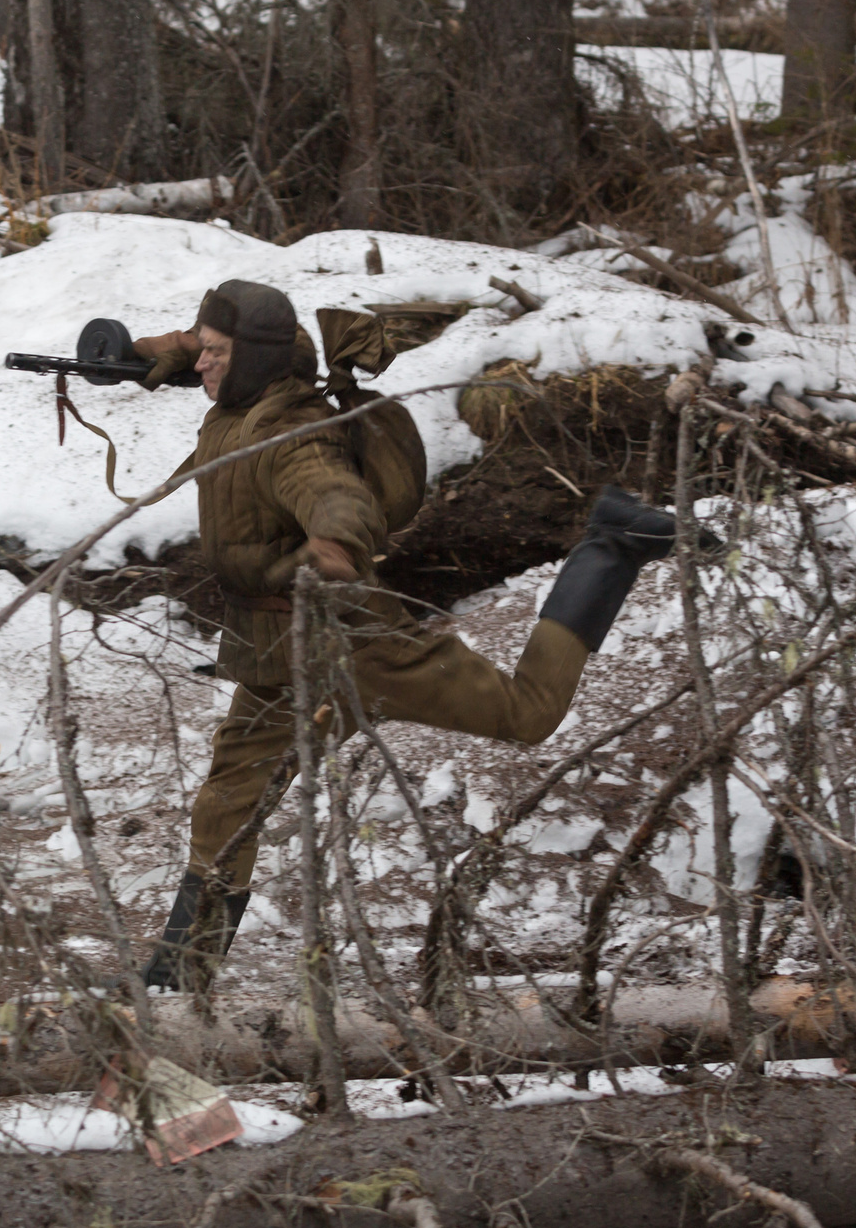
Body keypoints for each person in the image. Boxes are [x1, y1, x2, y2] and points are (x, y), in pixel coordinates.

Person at [126, 280, 679, 990]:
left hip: (354, 645)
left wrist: (334, 542)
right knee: (228, 800)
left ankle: (611, 547)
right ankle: (181, 973)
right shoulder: (249, 393)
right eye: (201, 348)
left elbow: (337, 494)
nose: (203, 363)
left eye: (215, 353)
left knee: (528, 713)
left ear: (253, 361)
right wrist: (160, 350)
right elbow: (259, 344)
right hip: (279, 649)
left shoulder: (292, 437)